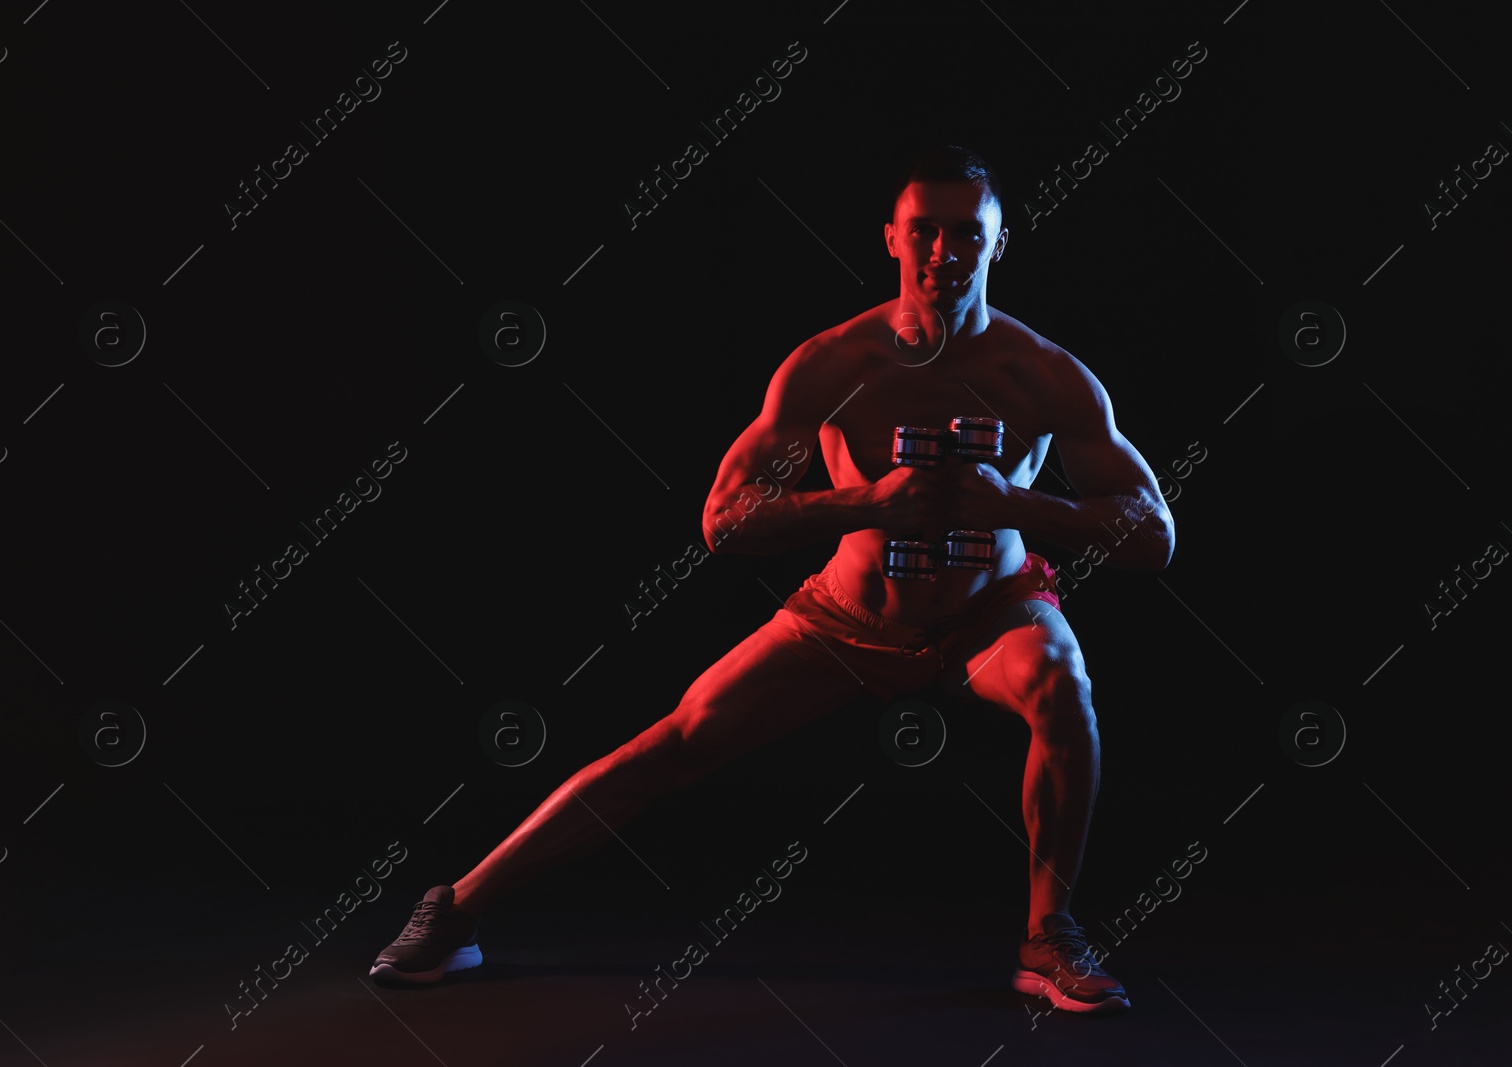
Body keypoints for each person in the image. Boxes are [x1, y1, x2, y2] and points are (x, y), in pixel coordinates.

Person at [370, 145, 1174, 1015]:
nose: (945, 253)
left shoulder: (1045, 376)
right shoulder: (836, 368)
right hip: (847, 620)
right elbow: (724, 521)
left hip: (991, 614)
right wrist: (869, 501)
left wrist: (1015, 502)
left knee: (1065, 685)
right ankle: (455, 908)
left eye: (966, 235)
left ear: (999, 243)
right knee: (676, 741)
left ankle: (1046, 937)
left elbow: (1153, 534)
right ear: (892, 239)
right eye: (925, 232)